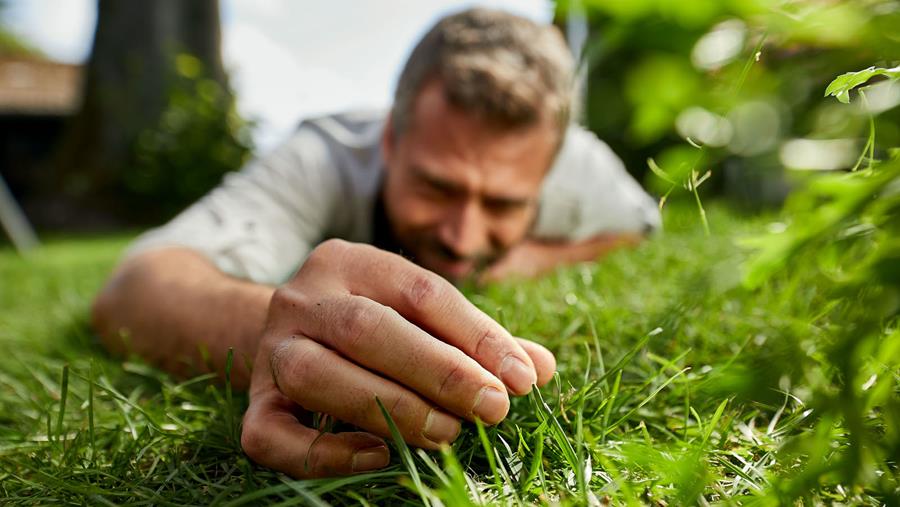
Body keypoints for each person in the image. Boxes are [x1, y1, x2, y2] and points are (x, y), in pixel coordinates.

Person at [91, 8, 660, 478]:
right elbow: (133, 289)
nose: (462, 238)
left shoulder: (579, 164)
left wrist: (534, 258)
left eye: (505, 205)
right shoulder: (323, 156)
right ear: (390, 139)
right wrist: (276, 334)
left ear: (548, 173)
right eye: (436, 187)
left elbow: (640, 228)